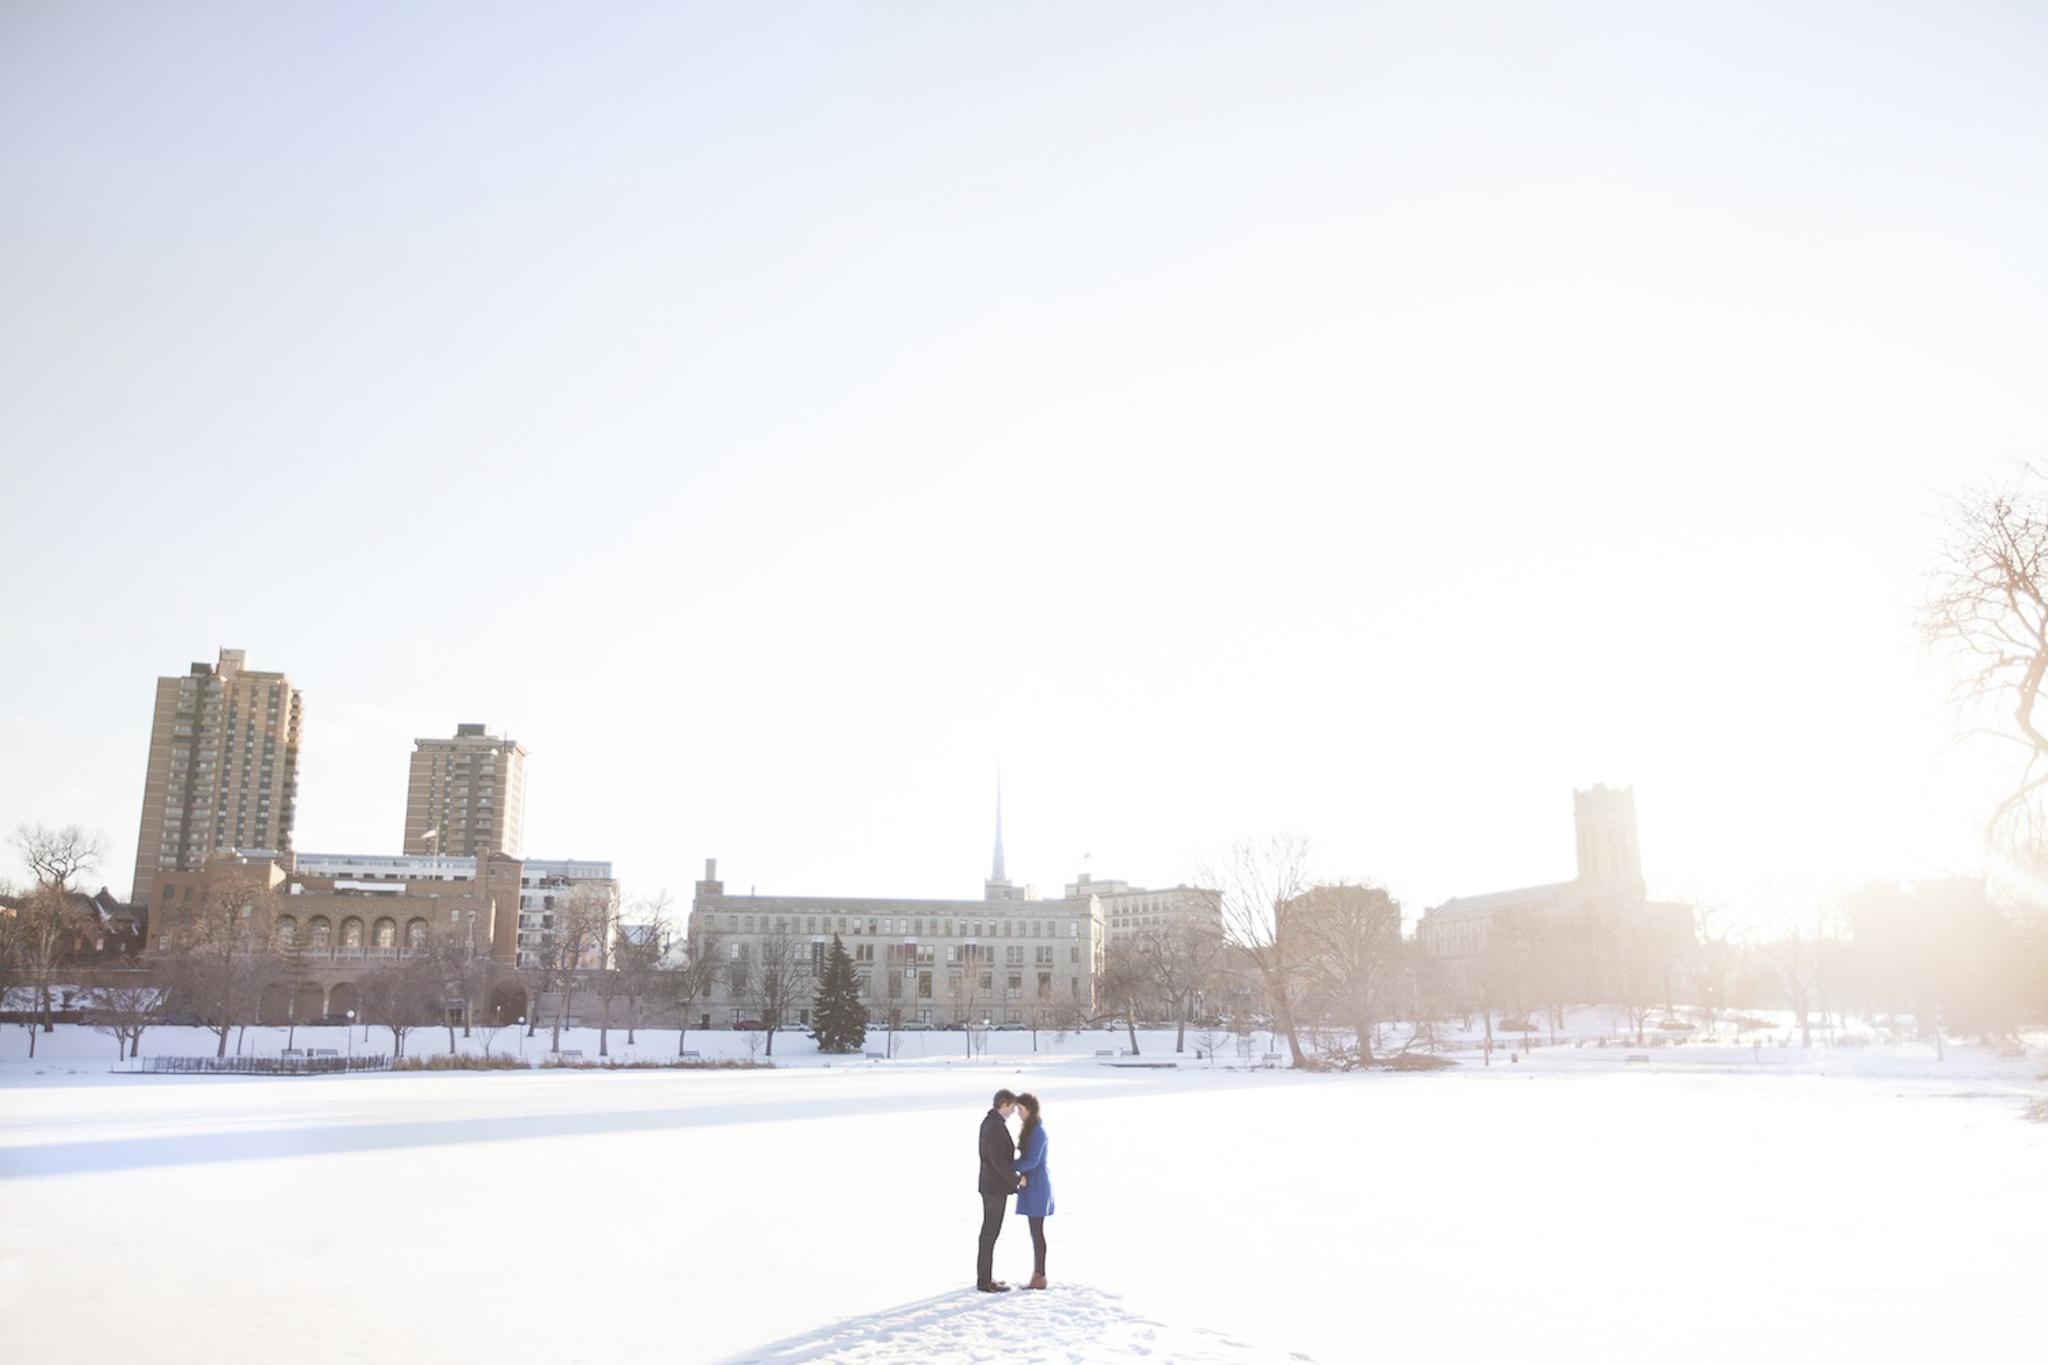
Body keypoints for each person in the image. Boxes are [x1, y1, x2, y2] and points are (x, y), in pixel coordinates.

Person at [975, 1089, 1023, 1292]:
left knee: (990, 1232)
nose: (1012, 1112)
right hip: (994, 1187)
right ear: (1003, 1105)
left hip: (992, 1185)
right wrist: (1017, 1180)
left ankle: (985, 1277)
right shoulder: (994, 1126)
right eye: (1011, 1108)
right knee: (990, 1232)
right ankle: (985, 1281)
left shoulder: (992, 1123)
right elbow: (997, 1161)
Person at [1011, 1092, 1054, 1290]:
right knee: (1035, 1230)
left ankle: (1040, 1275)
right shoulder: (1031, 1128)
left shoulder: (1038, 1131)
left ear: (1030, 1110)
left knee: (1037, 1231)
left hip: (1037, 1183)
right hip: (1032, 1181)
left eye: (1021, 1109)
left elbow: (1032, 1160)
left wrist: (1008, 1166)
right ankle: (1038, 1274)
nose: (1018, 1113)